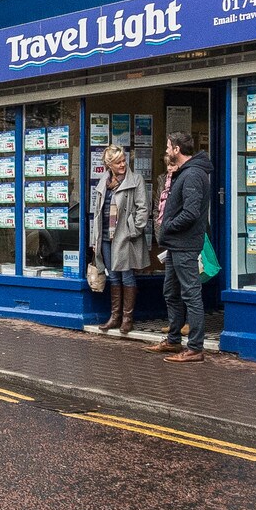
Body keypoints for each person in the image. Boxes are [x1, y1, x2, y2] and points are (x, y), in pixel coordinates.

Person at [154, 131, 212, 363]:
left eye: (169, 147)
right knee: (171, 292)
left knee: (190, 294)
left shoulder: (192, 175)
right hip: (176, 244)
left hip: (185, 244)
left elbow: (190, 212)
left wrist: (168, 226)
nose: (167, 151)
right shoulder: (184, 173)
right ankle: (173, 340)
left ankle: (195, 348)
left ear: (177, 149)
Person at [89, 145, 148, 337]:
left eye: (124, 160)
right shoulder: (103, 182)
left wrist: (133, 230)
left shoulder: (135, 180)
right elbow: (97, 212)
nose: (123, 164)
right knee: (113, 276)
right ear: (109, 165)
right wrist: (95, 238)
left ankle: (127, 319)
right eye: (118, 162)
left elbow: (143, 209)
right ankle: (114, 317)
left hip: (125, 236)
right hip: (106, 236)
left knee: (127, 276)